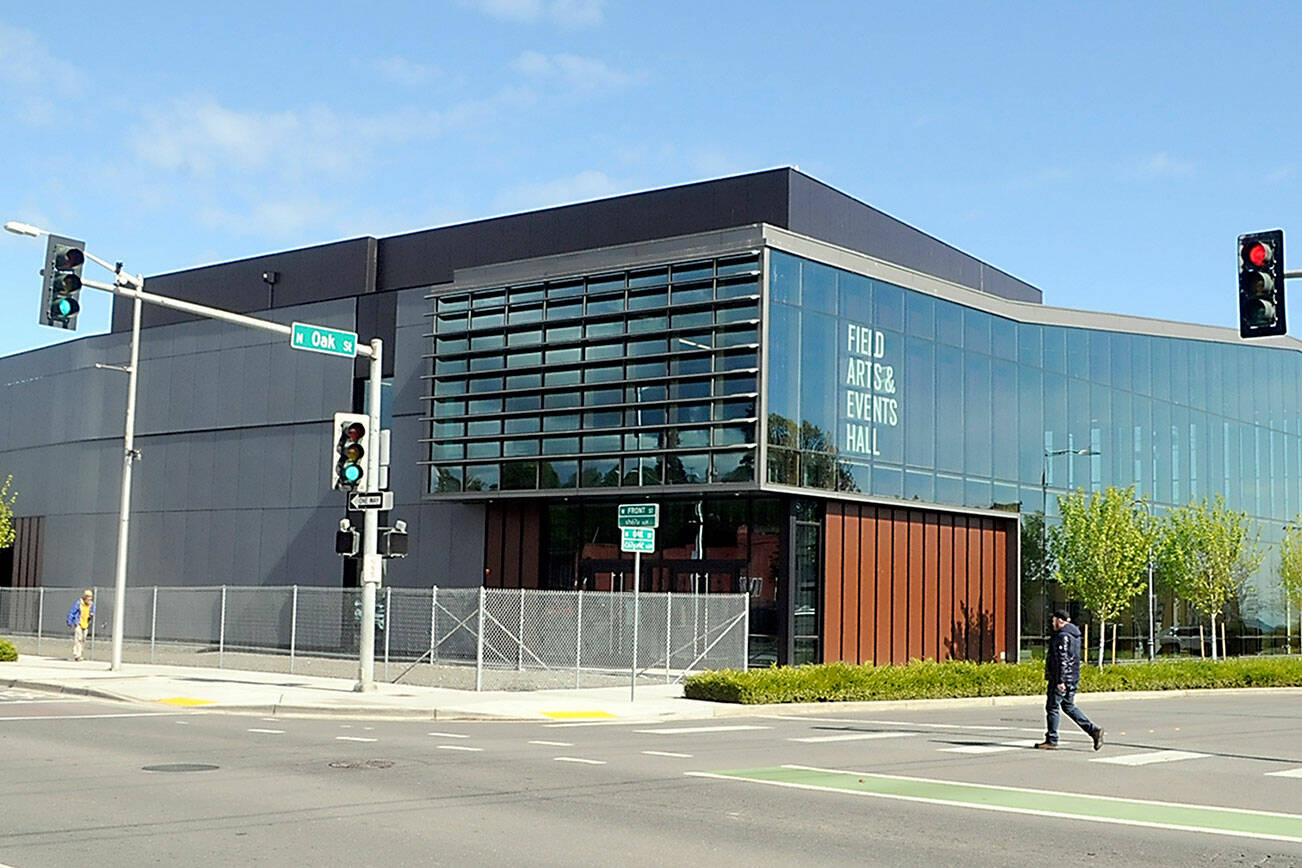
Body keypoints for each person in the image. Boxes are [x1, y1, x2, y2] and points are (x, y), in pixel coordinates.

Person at [1036, 609, 1104, 751]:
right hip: (1072, 677)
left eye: (1054, 620)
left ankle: (1052, 740)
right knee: (1068, 706)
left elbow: (1063, 659)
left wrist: (1060, 681)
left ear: (1059, 621)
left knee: (1052, 707)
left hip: (1062, 678)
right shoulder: (1074, 635)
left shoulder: (1063, 636)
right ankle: (1093, 730)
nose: (1052, 623)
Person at [66, 589, 95, 662]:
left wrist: (91, 614)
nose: (90, 599)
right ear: (85, 597)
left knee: (83, 639)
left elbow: (92, 612)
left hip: (86, 624)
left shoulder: (91, 605)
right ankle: (77, 655)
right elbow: (72, 612)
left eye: (91, 597)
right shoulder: (79, 603)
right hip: (78, 623)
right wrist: (69, 622)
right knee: (78, 639)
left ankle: (80, 653)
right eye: (88, 597)